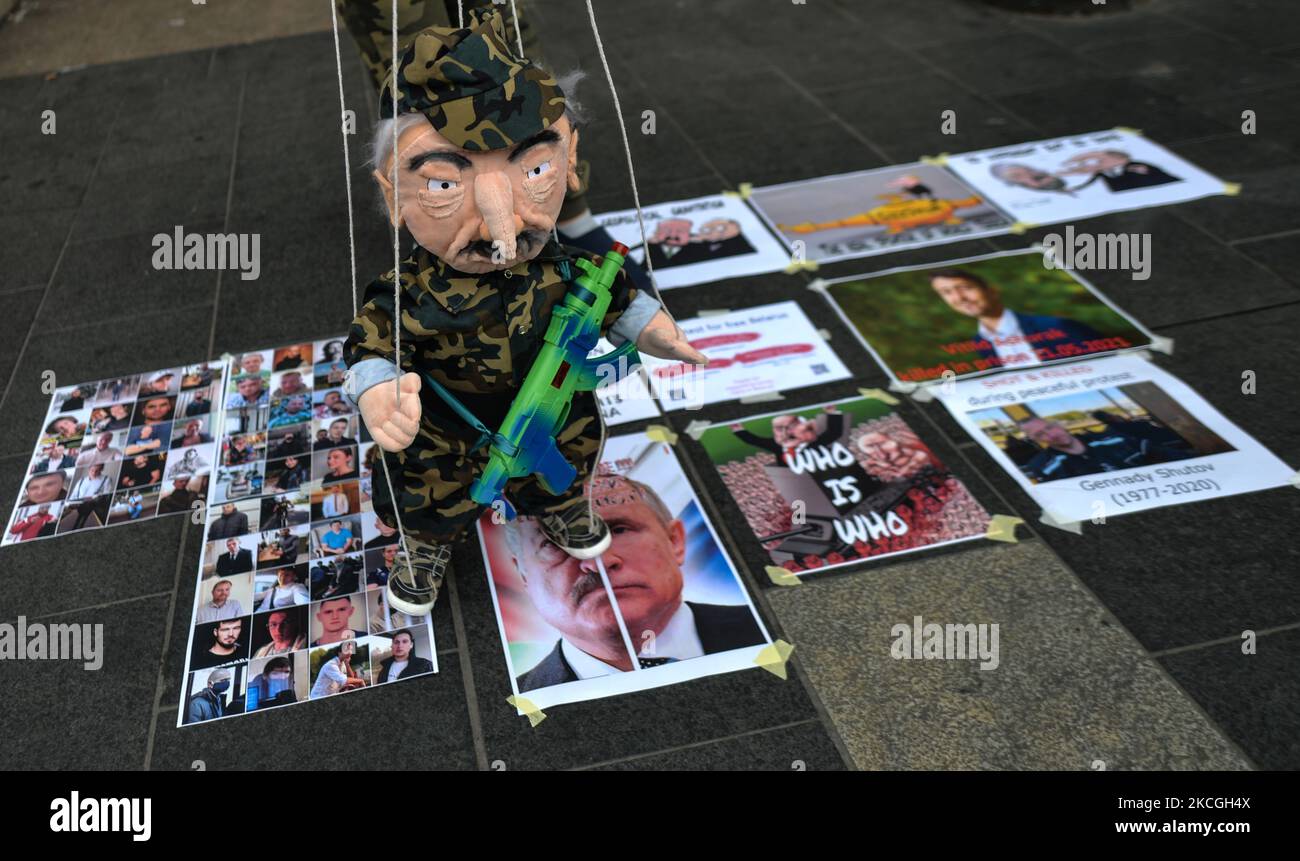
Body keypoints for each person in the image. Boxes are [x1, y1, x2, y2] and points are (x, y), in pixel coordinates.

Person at [342, 9, 703, 618]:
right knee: (425, 494)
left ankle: (561, 507)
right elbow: (372, 344)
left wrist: (655, 330)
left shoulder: (562, 268)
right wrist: (378, 393)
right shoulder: (409, 290)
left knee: (562, 462)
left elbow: (613, 298)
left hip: (550, 413)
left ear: (569, 157)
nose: (499, 223)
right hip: (444, 433)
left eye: (533, 169)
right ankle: (424, 544)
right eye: (443, 184)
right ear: (392, 194)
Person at [510, 474, 765, 692]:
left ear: (674, 541)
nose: (597, 562)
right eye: (556, 543)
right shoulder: (513, 702)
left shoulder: (770, 629)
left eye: (619, 530)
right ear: (524, 578)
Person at [928, 269, 1103, 369]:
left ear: (992, 291)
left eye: (965, 288)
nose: (959, 298)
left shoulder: (1056, 326)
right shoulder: (980, 342)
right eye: (947, 292)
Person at [1016, 415, 1190, 482]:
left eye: (1050, 427)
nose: (1051, 435)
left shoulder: (1115, 439)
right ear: (1034, 440)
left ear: (1059, 424)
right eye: (1040, 435)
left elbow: (1175, 458)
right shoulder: (1043, 467)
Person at [1058, 150, 1181, 193]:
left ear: (1118, 159)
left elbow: (1157, 176)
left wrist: (1140, 170)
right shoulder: (1102, 171)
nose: (1096, 164)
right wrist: (1073, 188)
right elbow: (1089, 182)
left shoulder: (1133, 165)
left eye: (1100, 160)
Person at [68, 463, 114, 529]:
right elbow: (74, 494)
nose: (94, 473)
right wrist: (71, 503)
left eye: (97, 470)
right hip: (78, 507)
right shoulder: (81, 480)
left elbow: (107, 494)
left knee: (83, 522)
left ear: (102, 469)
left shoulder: (106, 480)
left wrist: (93, 499)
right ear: (89, 469)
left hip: (94, 507)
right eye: (92, 470)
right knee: (75, 523)